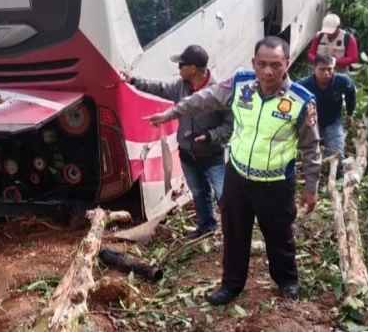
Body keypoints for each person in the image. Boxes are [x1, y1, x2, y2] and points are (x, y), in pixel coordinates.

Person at [146, 36, 320, 304]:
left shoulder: (300, 101)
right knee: (235, 232)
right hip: (237, 177)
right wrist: (173, 113)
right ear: (254, 63)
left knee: (279, 234)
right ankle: (231, 286)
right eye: (262, 64)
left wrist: (311, 188)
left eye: (275, 65)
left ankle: (287, 280)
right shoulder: (240, 85)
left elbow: (311, 148)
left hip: (275, 183)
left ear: (286, 64)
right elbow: (204, 99)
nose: (268, 71)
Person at [126, 45, 231, 239]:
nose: (178, 68)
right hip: (187, 154)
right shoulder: (180, 86)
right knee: (199, 192)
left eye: (181, 65)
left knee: (223, 195)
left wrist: (210, 136)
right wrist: (133, 81)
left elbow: (230, 126)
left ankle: (234, 232)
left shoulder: (219, 91)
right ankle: (207, 226)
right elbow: (159, 87)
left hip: (212, 154)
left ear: (193, 68)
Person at [298, 53, 356, 170]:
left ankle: (337, 176)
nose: (326, 73)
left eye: (329, 69)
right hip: (311, 123)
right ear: (314, 69)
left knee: (337, 155)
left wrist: (350, 114)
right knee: (308, 155)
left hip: (333, 121)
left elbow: (351, 94)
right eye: (322, 69)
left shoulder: (342, 81)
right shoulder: (303, 85)